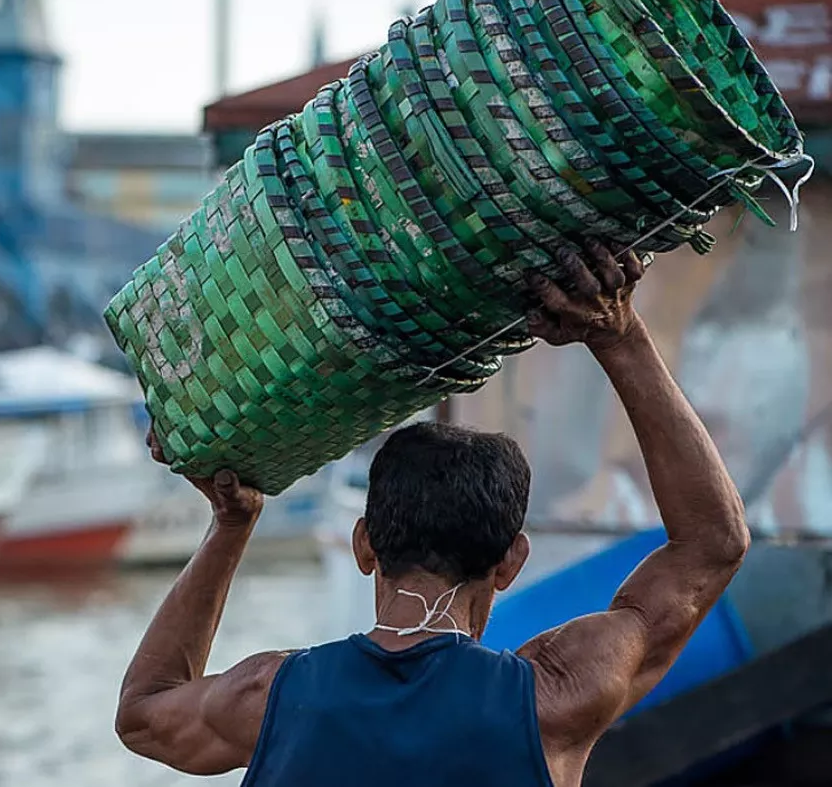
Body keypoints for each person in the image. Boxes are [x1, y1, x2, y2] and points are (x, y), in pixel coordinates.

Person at [115, 241, 750, 787]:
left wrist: (231, 527)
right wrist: (619, 335)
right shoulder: (555, 696)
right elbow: (712, 545)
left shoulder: (269, 697)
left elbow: (144, 711)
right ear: (511, 562)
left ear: (365, 547)